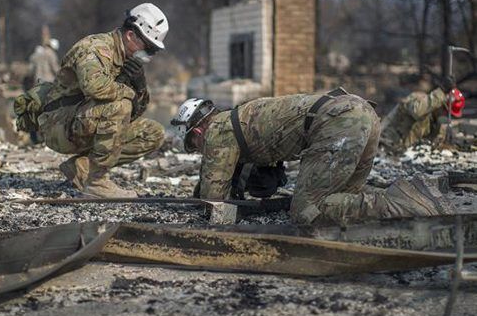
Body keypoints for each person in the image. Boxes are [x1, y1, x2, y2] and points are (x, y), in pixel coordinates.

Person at [171, 90, 452, 226]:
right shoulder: (239, 119)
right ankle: (411, 195)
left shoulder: (217, 131)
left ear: (197, 131)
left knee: (307, 210)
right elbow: (262, 178)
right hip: (360, 112)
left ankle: (404, 204)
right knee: (342, 195)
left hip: (338, 123)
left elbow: (213, 199)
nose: (199, 150)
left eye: (194, 144)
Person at [36, 3, 168, 198]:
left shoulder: (126, 58)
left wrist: (140, 85)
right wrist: (127, 92)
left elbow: (134, 112)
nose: (147, 55)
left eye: (151, 51)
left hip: (83, 121)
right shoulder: (95, 48)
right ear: (131, 36)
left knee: (152, 133)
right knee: (119, 105)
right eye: (147, 48)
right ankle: (96, 182)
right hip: (58, 124)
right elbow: (95, 87)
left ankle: (83, 168)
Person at [380, 77, 465, 153]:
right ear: (440, 104)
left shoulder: (435, 122)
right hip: (385, 144)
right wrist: (441, 92)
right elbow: (416, 111)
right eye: (445, 112)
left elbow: (433, 143)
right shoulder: (418, 99)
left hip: (401, 152)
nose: (444, 116)